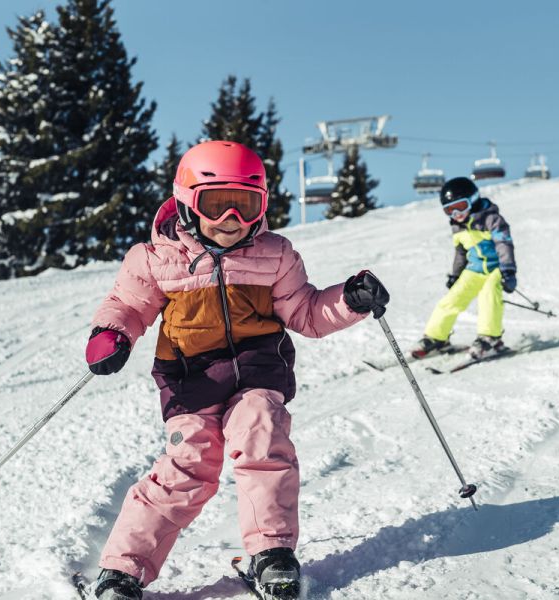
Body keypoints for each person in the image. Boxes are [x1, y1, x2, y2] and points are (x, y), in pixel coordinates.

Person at [83, 141, 389, 600]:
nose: (232, 221)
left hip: (259, 372)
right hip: (191, 379)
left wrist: (348, 300)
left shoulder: (275, 254)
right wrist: (113, 335)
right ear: (187, 202)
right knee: (189, 465)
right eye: (217, 205)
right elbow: (128, 304)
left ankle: (271, 552)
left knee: (262, 433)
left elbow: (305, 313)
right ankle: (123, 570)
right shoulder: (155, 258)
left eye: (246, 207)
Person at [410, 177, 517, 360]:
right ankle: (437, 338)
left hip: (495, 268)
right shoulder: (458, 227)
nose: (456, 213)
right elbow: (460, 253)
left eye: (460, 206)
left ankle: (490, 338)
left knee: (488, 295)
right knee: (451, 300)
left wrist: (508, 270)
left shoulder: (491, 219)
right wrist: (455, 275)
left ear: (473, 199)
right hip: (474, 270)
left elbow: (504, 243)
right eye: (449, 210)